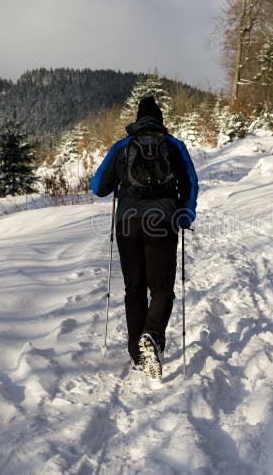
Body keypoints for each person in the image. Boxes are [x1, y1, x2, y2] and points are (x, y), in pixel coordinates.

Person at [91, 95, 198, 379]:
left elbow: (98, 187)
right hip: (162, 221)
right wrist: (185, 214)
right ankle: (151, 336)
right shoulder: (174, 146)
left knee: (134, 288)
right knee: (161, 288)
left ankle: (138, 354)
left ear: (137, 120)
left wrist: (118, 179)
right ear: (160, 121)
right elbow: (190, 181)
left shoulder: (123, 146)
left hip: (127, 223)